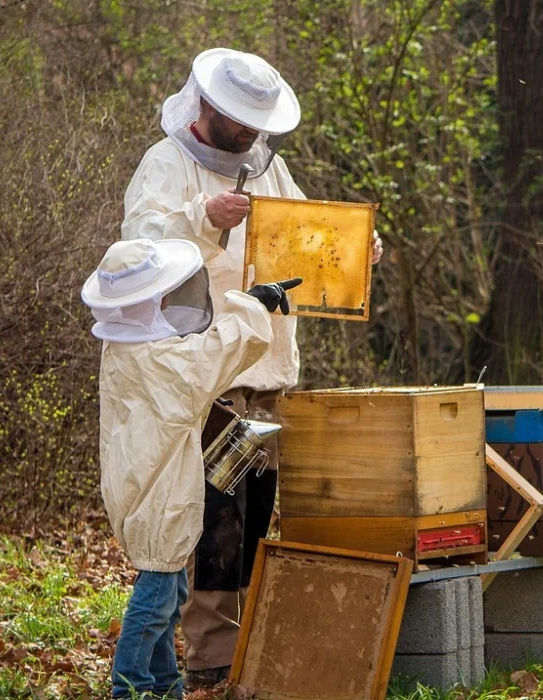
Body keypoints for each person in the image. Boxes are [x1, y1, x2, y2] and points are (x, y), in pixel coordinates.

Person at [120, 48, 384, 688]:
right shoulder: (166, 164)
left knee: (259, 511)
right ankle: (212, 652)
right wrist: (201, 219)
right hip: (206, 369)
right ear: (206, 106)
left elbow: (303, 244)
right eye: (240, 119)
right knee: (217, 515)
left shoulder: (270, 165)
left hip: (269, 369)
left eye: (256, 121)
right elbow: (136, 253)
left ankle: (249, 646)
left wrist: (355, 252)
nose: (249, 133)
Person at [82, 237, 297, 698]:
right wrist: (251, 304)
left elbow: (192, 351)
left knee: (167, 588)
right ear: (147, 300)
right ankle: (129, 687)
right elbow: (216, 354)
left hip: (139, 483)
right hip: (158, 493)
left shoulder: (124, 351)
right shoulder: (163, 364)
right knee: (158, 594)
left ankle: (164, 686)